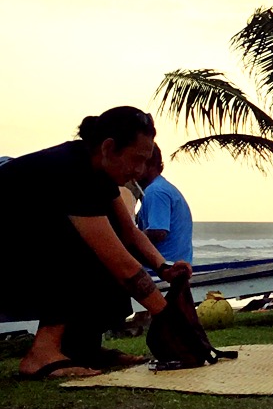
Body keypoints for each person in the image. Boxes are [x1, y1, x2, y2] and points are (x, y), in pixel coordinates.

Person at [0, 107, 190, 381]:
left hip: (21, 258)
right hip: (8, 264)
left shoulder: (98, 169)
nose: (139, 171)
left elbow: (130, 232)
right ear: (109, 147)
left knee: (104, 244)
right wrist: (170, 319)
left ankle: (82, 349)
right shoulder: (71, 169)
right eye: (136, 160)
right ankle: (42, 353)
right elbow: (120, 262)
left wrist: (164, 268)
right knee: (87, 247)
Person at [135, 145, 194, 266]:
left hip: (164, 267)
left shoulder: (155, 191)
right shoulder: (163, 188)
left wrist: (130, 240)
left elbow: (158, 232)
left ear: (149, 165)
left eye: (137, 163)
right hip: (178, 265)